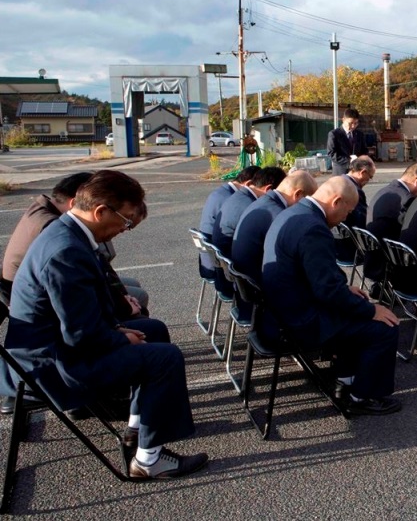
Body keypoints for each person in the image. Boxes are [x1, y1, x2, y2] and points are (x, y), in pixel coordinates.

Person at [0, 170, 207, 479]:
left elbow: (81, 313)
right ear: (100, 212)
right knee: (166, 358)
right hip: (51, 367)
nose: (123, 230)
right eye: (124, 222)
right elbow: (80, 333)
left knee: (154, 330)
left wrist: (118, 329)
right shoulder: (66, 251)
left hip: (57, 347)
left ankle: (137, 428)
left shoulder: (67, 232)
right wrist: (120, 339)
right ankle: (149, 461)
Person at [261, 176, 402, 416]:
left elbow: (313, 273)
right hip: (300, 321)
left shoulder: (293, 213)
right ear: (336, 201)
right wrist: (372, 311)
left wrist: (346, 291)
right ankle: (364, 397)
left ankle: (345, 380)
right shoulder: (314, 227)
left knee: (355, 306)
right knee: (385, 327)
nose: (347, 217)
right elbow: (328, 292)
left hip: (280, 311)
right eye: (348, 211)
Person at [1, 172, 147, 319]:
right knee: (140, 302)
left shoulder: (42, 210)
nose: (123, 229)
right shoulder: (59, 234)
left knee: (131, 288)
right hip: (38, 306)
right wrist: (122, 305)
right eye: (126, 221)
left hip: (29, 294)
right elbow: (78, 319)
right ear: (75, 202)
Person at [232, 170, 318, 283]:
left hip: (245, 280)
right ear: (297, 194)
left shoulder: (262, 202)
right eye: (305, 203)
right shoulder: (279, 215)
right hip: (257, 284)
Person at [212, 166, 287, 293]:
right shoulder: (253, 206)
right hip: (243, 284)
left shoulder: (238, 197)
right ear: (269, 189)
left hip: (228, 271)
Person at [364, 161, 417, 285]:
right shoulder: (406, 199)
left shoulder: (386, 190)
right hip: (388, 263)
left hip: (372, 255)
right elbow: (413, 233)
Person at [198, 165, 260, 280]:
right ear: (248, 184)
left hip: (208, 260)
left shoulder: (221, 191)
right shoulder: (232, 199)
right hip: (218, 267)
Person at [327, 109, 368, 176]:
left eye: (355, 123)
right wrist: (349, 161)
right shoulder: (334, 134)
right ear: (343, 120)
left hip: (356, 172)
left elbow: (364, 151)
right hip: (340, 172)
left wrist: (360, 160)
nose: (353, 126)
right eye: (350, 123)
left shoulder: (359, 134)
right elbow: (331, 153)